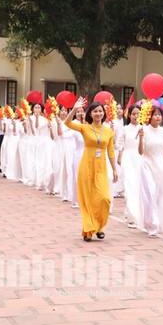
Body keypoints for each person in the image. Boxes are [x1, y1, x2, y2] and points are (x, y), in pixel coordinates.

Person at [64, 97, 119, 242]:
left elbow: (111, 152)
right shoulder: (85, 127)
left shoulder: (108, 131)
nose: (98, 113)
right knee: (88, 199)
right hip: (86, 166)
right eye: (95, 111)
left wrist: (115, 169)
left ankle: (99, 226)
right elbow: (67, 123)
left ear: (104, 113)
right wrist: (75, 109)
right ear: (90, 114)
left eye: (100, 111)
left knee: (104, 199)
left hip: (101, 168)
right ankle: (88, 230)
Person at [117, 105, 158, 234]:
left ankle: (131, 213)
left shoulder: (144, 129)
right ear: (129, 115)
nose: (135, 116)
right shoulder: (124, 129)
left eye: (138, 114)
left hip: (141, 159)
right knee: (129, 186)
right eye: (133, 114)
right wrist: (120, 155)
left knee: (139, 187)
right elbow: (119, 144)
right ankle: (132, 217)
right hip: (128, 158)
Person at [142, 106, 163, 234]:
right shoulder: (144, 130)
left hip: (161, 166)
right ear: (149, 116)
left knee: (160, 195)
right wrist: (140, 137)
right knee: (150, 193)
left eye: (159, 115)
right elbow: (141, 151)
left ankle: (157, 219)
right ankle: (152, 225)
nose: (157, 117)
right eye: (155, 114)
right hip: (147, 165)